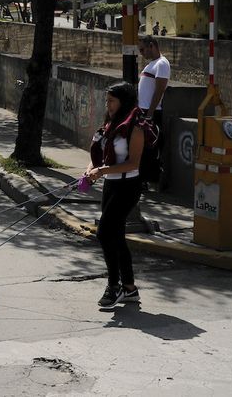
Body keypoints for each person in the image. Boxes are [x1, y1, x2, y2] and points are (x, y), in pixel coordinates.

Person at [86, 82, 145, 309]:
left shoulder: (135, 128)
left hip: (128, 186)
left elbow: (133, 163)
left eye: (112, 101)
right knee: (117, 236)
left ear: (124, 102)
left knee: (104, 232)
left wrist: (101, 171)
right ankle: (129, 288)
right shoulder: (110, 124)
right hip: (110, 185)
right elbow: (99, 155)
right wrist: (90, 170)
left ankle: (114, 285)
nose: (107, 105)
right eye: (106, 101)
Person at [138, 35, 170, 190]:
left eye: (142, 50)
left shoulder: (162, 64)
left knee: (148, 148)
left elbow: (159, 90)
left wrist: (149, 113)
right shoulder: (152, 64)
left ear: (152, 45)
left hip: (151, 111)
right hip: (144, 110)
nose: (141, 53)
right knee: (141, 147)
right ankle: (142, 179)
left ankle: (145, 180)